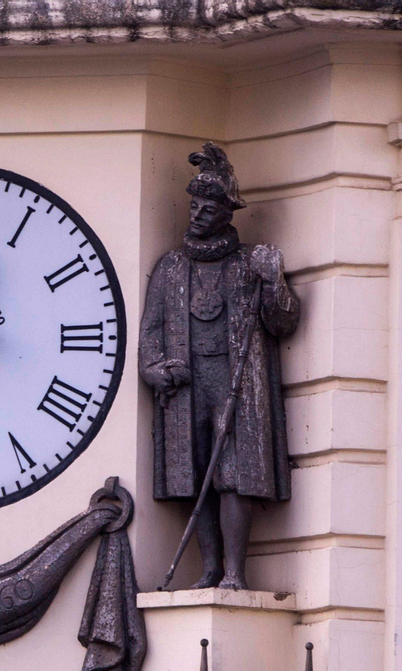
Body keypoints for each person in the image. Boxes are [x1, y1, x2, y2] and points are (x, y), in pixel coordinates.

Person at [140, 142, 300, 590]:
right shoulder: (171, 268)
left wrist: (273, 282)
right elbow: (151, 331)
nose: (197, 215)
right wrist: (154, 368)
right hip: (187, 386)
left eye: (208, 209)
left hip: (237, 381)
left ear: (226, 215)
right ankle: (209, 569)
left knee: (233, 475)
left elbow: (283, 321)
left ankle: (234, 572)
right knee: (194, 477)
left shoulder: (251, 262)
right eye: (194, 206)